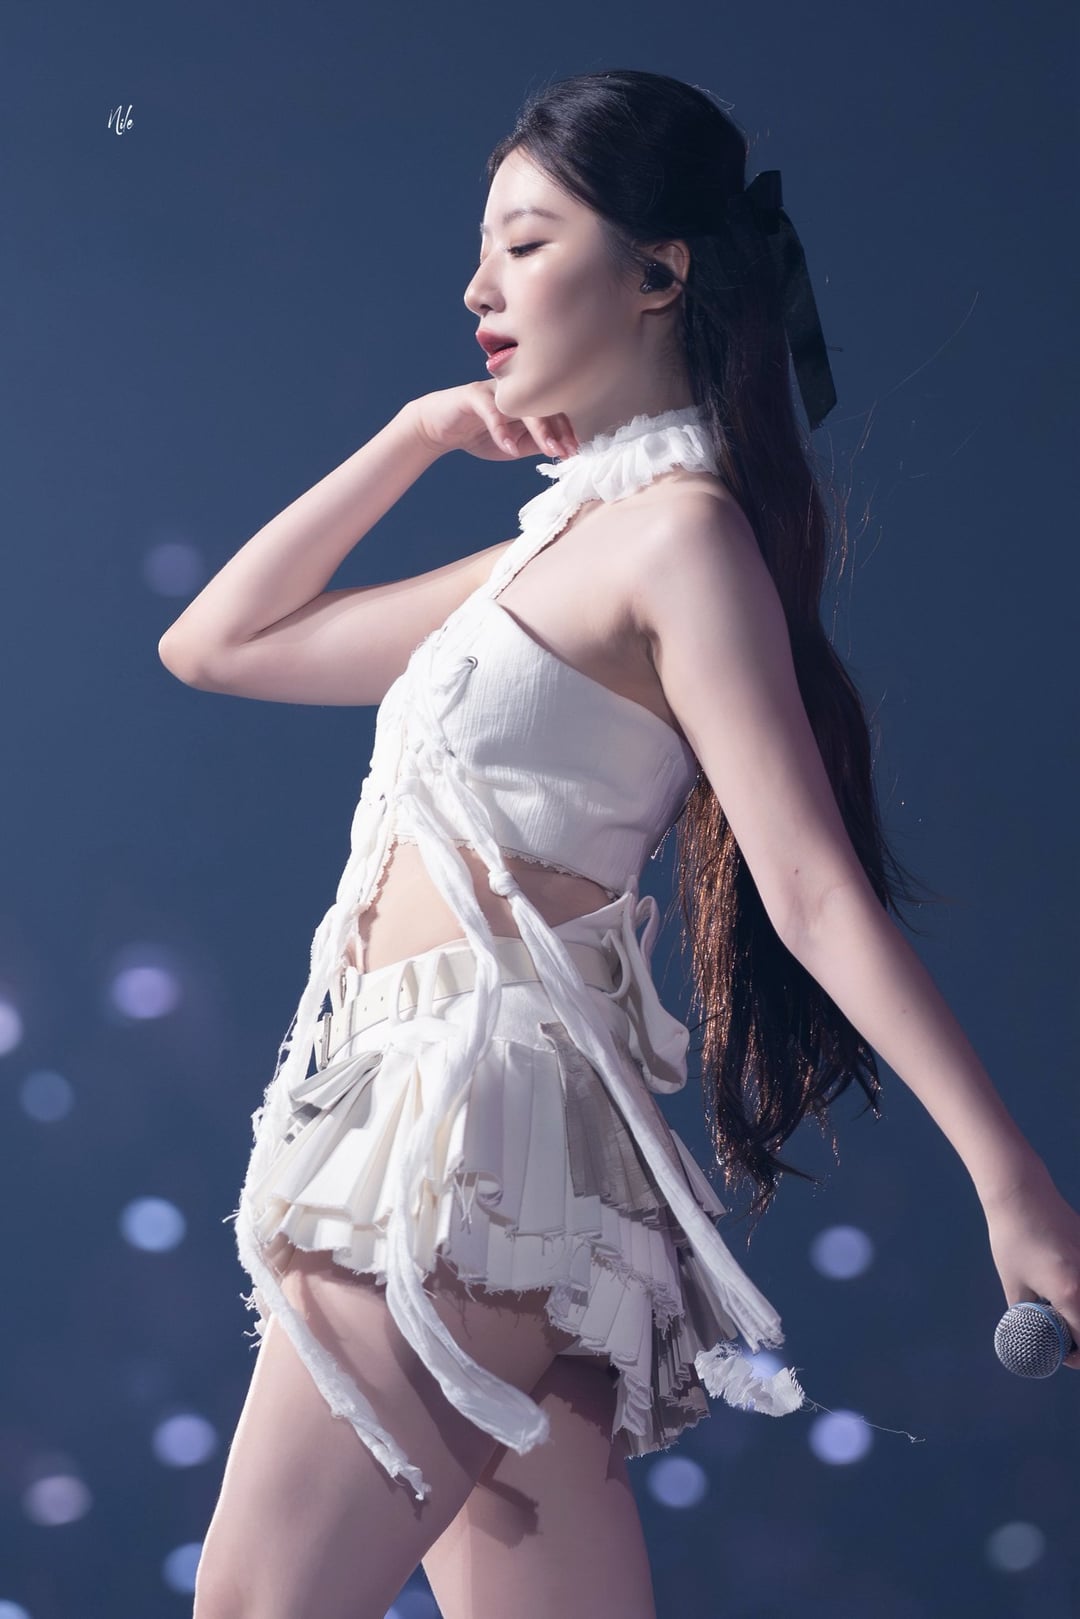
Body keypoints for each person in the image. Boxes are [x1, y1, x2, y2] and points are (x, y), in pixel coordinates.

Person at [159, 68, 1080, 1619]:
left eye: (525, 244)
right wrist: (414, 433)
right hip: (499, 1164)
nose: (478, 288)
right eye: (483, 252)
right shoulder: (554, 553)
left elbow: (807, 886)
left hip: (457, 1139)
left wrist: (1012, 1182)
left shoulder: (678, 537)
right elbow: (215, 644)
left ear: (659, 272)